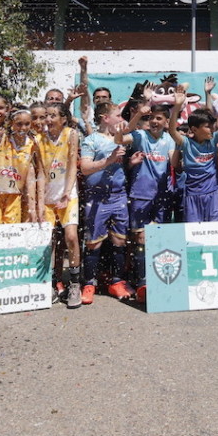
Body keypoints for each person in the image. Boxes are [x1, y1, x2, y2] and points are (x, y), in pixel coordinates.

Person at [117, 99, 175, 305]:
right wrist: (137, 116)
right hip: (141, 194)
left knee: (158, 239)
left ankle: (157, 280)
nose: (154, 121)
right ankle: (142, 281)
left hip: (162, 196)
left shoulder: (169, 139)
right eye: (151, 118)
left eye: (159, 118)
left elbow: (173, 161)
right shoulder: (140, 136)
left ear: (167, 122)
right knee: (140, 239)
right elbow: (119, 137)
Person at [80, 102, 131, 305]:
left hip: (119, 196)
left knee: (119, 241)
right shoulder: (90, 140)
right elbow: (84, 168)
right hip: (97, 198)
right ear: (105, 118)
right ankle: (89, 284)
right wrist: (108, 160)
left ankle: (117, 281)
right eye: (117, 115)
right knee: (94, 242)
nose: (121, 119)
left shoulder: (122, 138)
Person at [169, 88, 218, 224]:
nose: (211, 129)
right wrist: (177, 107)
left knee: (213, 230)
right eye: (207, 127)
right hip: (192, 196)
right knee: (194, 232)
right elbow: (171, 130)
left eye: (211, 126)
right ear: (194, 129)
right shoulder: (186, 143)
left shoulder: (213, 140)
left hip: (212, 193)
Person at [38, 102, 82, 302]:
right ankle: (51, 284)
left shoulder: (70, 134)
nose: (48, 119)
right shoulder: (39, 139)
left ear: (64, 119)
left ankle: (74, 284)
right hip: (47, 198)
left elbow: (72, 163)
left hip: (67, 194)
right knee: (49, 242)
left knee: (71, 237)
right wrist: (39, 201)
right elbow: (38, 172)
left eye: (53, 115)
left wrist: (66, 191)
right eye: (46, 115)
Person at [0, 108, 38, 226]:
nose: (23, 128)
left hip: (14, 196)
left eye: (27, 124)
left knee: (10, 235)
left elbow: (30, 176)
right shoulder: (1, 138)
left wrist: (32, 207)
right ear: (11, 124)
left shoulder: (32, 144)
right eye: (19, 124)